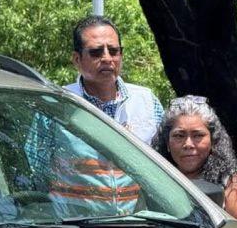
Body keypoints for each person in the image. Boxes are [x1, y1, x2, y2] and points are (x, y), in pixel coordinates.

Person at [152, 96, 237, 228]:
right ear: (167, 143)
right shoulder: (153, 179)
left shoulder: (230, 181)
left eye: (198, 135)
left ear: (213, 141)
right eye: (179, 136)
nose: (188, 144)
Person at [64, 15, 164, 144]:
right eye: (96, 52)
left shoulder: (146, 101)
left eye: (113, 51)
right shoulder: (60, 103)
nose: (107, 58)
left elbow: (166, 151)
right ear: (77, 59)